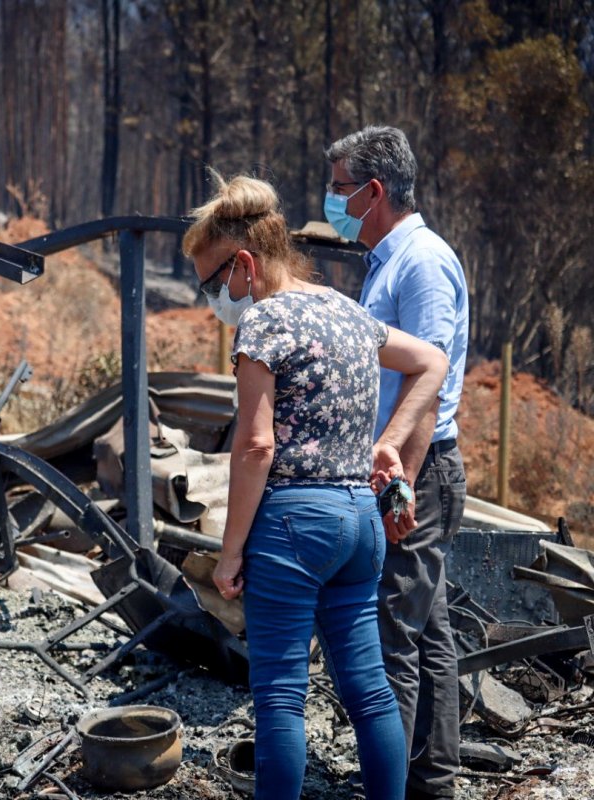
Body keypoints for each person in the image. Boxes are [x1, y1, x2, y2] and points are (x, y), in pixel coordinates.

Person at [183, 170, 449, 800]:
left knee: (280, 696)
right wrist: (390, 442)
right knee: (370, 690)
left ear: (245, 264)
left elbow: (256, 447)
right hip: (360, 523)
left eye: (213, 283)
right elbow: (433, 362)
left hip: (294, 526)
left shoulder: (264, 323)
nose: (213, 298)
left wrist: (229, 553)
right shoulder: (347, 311)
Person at [325, 126, 469, 800]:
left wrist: (398, 486)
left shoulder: (422, 263)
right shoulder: (387, 260)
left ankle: (389, 789)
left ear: (374, 191)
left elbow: (428, 384)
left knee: (392, 636)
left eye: (339, 189)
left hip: (419, 470)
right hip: (407, 467)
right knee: (428, 628)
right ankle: (431, 781)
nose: (332, 202)